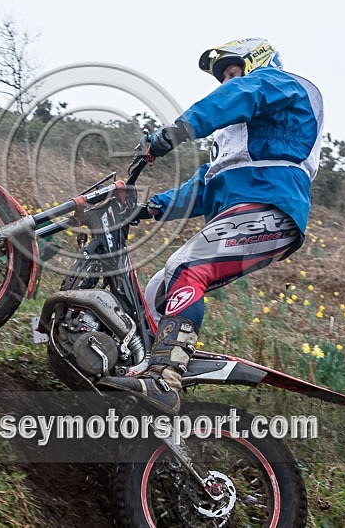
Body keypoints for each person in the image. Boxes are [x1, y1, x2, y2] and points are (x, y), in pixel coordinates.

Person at [99, 38, 324, 413]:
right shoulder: (238, 135)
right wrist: (148, 209)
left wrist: (176, 131)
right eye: (222, 79)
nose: (226, 83)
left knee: (187, 268)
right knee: (160, 289)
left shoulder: (281, 84)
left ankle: (164, 378)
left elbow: (242, 93)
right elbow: (203, 186)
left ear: (256, 61)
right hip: (243, 213)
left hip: (271, 205)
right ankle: (142, 371)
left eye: (232, 72)